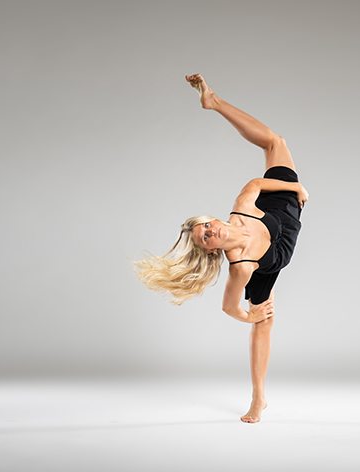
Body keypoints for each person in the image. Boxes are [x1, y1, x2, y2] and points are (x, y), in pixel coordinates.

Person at [133, 74, 307, 423]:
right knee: (265, 322)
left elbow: (258, 182)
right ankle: (259, 399)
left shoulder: (242, 208)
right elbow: (229, 307)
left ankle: (214, 102)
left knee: (276, 142)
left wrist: (298, 187)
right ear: (210, 250)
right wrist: (249, 316)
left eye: (207, 224)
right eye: (204, 237)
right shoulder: (240, 266)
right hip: (268, 261)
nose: (210, 230)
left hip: (280, 213)